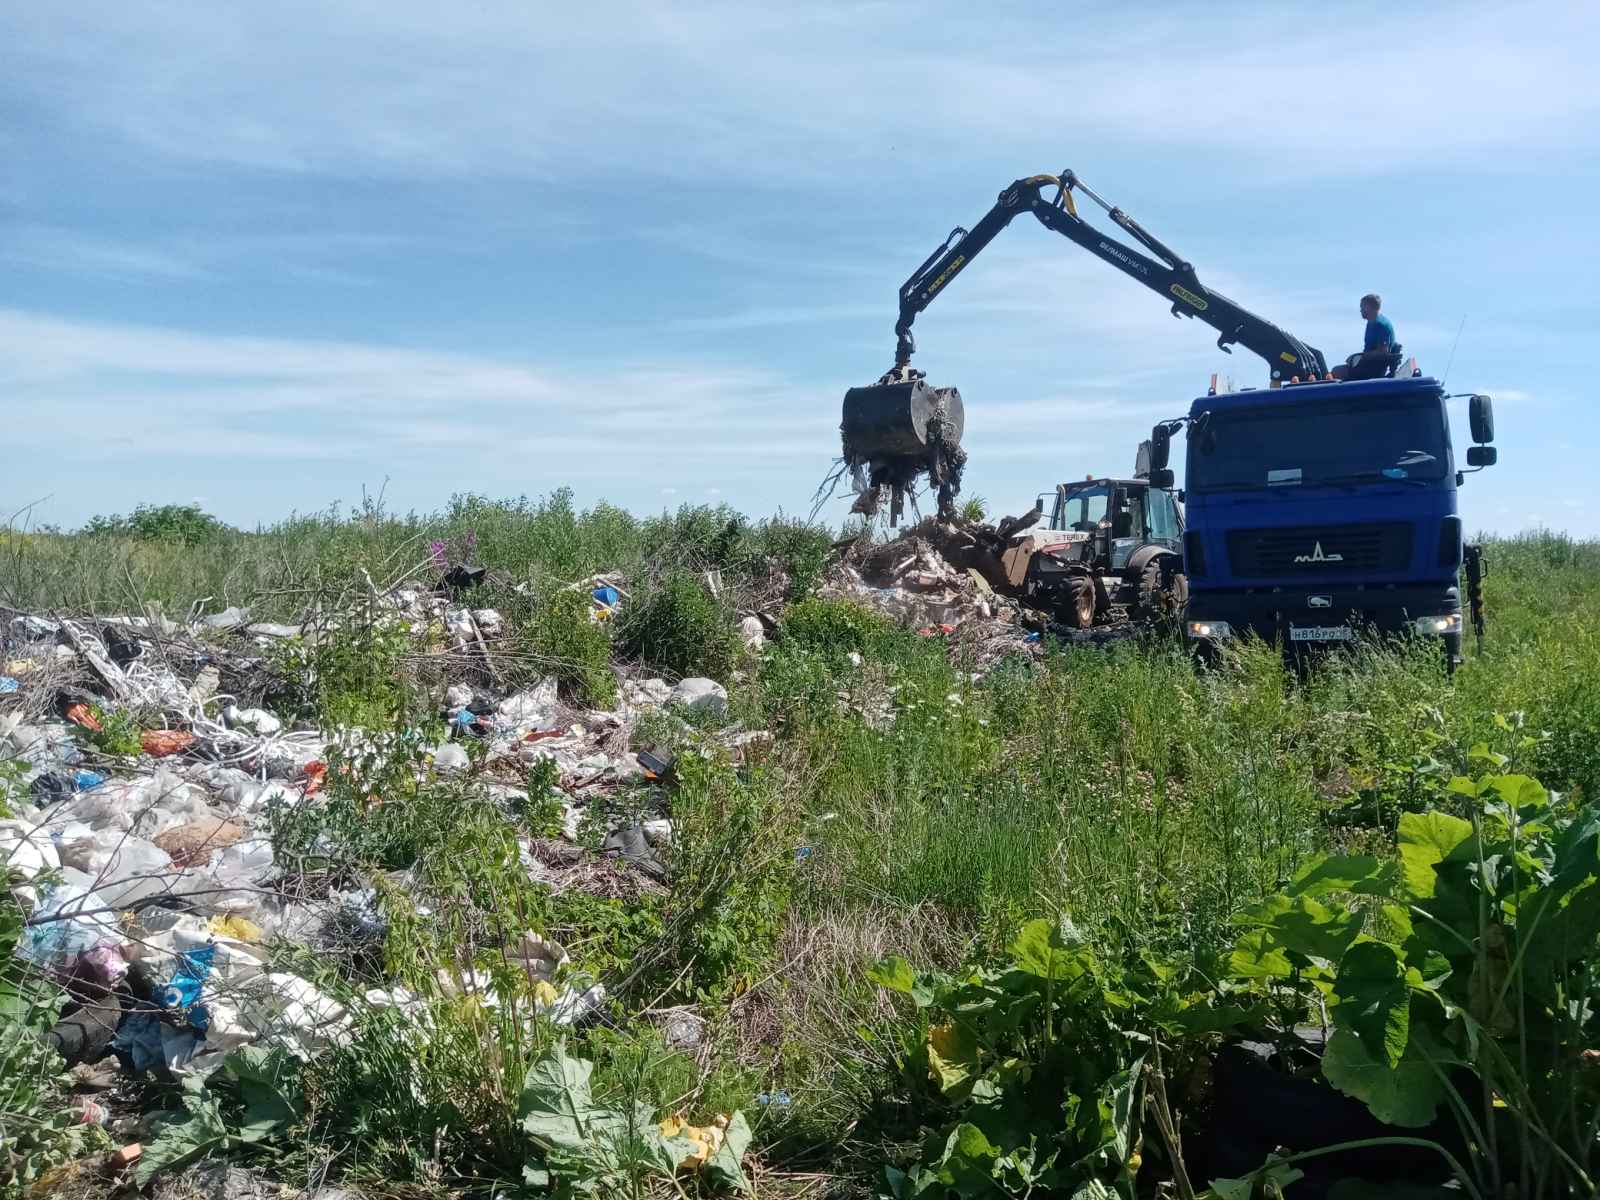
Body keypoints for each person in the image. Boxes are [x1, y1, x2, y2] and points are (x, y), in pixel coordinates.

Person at [1333, 293, 1401, 380]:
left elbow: (1383, 352)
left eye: (1362, 307)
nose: (1360, 310)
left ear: (1368, 307)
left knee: (1336, 372)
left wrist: (1360, 357)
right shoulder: (1371, 322)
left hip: (1373, 369)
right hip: (1367, 365)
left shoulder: (1381, 324)